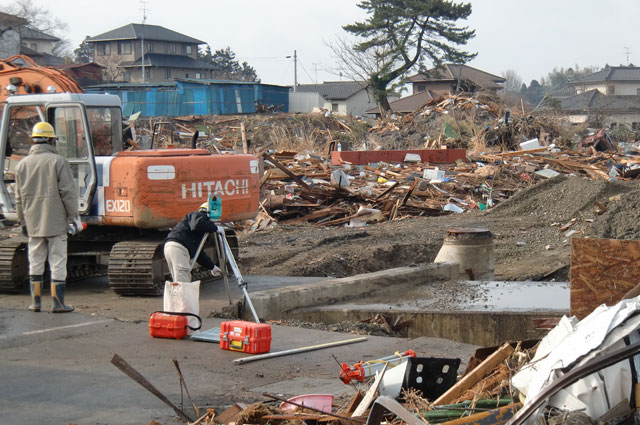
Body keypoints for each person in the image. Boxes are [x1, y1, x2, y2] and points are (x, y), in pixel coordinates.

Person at [15, 122, 81, 313]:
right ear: (52, 140)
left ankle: (35, 303)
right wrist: (73, 216)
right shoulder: (58, 161)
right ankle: (58, 303)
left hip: (33, 221)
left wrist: (23, 222)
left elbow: (19, 199)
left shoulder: (22, 165)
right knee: (58, 260)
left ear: (33, 140)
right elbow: (68, 192)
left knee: (35, 260)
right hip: (56, 222)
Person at [164, 203, 221, 283]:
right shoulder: (197, 215)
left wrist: (212, 267)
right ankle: (182, 295)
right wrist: (215, 228)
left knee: (178, 280)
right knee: (182, 280)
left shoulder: (195, 229)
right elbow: (198, 224)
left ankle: (177, 295)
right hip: (179, 247)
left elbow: (199, 254)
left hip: (171, 246)